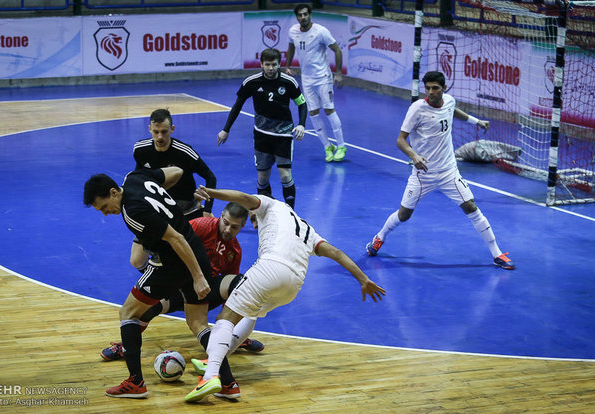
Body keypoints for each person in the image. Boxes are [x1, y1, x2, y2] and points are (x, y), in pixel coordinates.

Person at [184, 186, 386, 402]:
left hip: (271, 268)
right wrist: (363, 279)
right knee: (251, 312)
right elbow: (335, 253)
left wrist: (210, 193)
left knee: (226, 318)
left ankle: (212, 375)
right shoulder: (307, 228)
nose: (251, 219)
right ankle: (218, 358)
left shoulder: (270, 205)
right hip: (293, 285)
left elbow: (243, 198)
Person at [365, 71, 515, 271]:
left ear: (444, 88)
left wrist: (475, 121)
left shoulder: (449, 101)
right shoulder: (417, 108)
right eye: (427, 88)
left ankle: (497, 254)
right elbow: (400, 140)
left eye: (435, 88)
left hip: (448, 172)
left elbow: (453, 110)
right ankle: (379, 237)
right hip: (423, 174)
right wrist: (414, 156)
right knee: (404, 214)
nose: (430, 92)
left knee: (470, 207)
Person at [84, 167, 213, 398]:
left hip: (174, 263)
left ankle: (135, 382)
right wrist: (161, 200)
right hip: (196, 250)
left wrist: (198, 276)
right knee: (197, 322)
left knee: (128, 313)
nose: (106, 214)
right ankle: (224, 380)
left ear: (113, 193)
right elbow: (176, 171)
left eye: (104, 207)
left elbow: (175, 238)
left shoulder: (131, 211)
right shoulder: (135, 178)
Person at [100, 203, 265, 372]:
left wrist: (232, 327)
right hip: (178, 282)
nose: (228, 229)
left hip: (203, 291)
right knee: (148, 309)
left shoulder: (234, 251)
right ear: (220, 216)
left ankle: (236, 337)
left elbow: (233, 296)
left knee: (238, 283)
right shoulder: (202, 226)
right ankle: (125, 345)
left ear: (242, 227)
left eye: (235, 227)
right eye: (226, 222)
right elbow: (172, 242)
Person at [217, 48, 307, 209]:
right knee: (263, 178)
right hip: (262, 136)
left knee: (285, 176)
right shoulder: (251, 82)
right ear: (261, 64)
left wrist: (301, 124)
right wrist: (226, 129)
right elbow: (237, 106)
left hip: (283, 135)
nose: (271, 68)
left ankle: (291, 214)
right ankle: (267, 213)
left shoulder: (289, 82)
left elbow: (302, 104)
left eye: (274, 64)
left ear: (280, 64)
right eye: (267, 64)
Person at [131, 108, 217, 272]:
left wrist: (207, 210)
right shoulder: (140, 150)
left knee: (194, 258)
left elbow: (210, 177)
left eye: (164, 131)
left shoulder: (184, 152)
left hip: (186, 211)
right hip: (156, 212)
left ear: (172, 129)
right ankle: (156, 278)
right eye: (156, 132)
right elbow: (139, 176)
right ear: (149, 129)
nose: (160, 137)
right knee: (136, 260)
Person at [286, 3, 347, 163]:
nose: (303, 17)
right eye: (300, 15)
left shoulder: (321, 31)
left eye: (305, 14)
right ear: (297, 17)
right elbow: (291, 47)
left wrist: (338, 73)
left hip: (323, 78)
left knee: (328, 110)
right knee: (312, 112)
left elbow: (337, 50)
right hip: (307, 79)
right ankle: (328, 147)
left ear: (310, 15)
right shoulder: (293, 31)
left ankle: (341, 146)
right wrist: (287, 65)